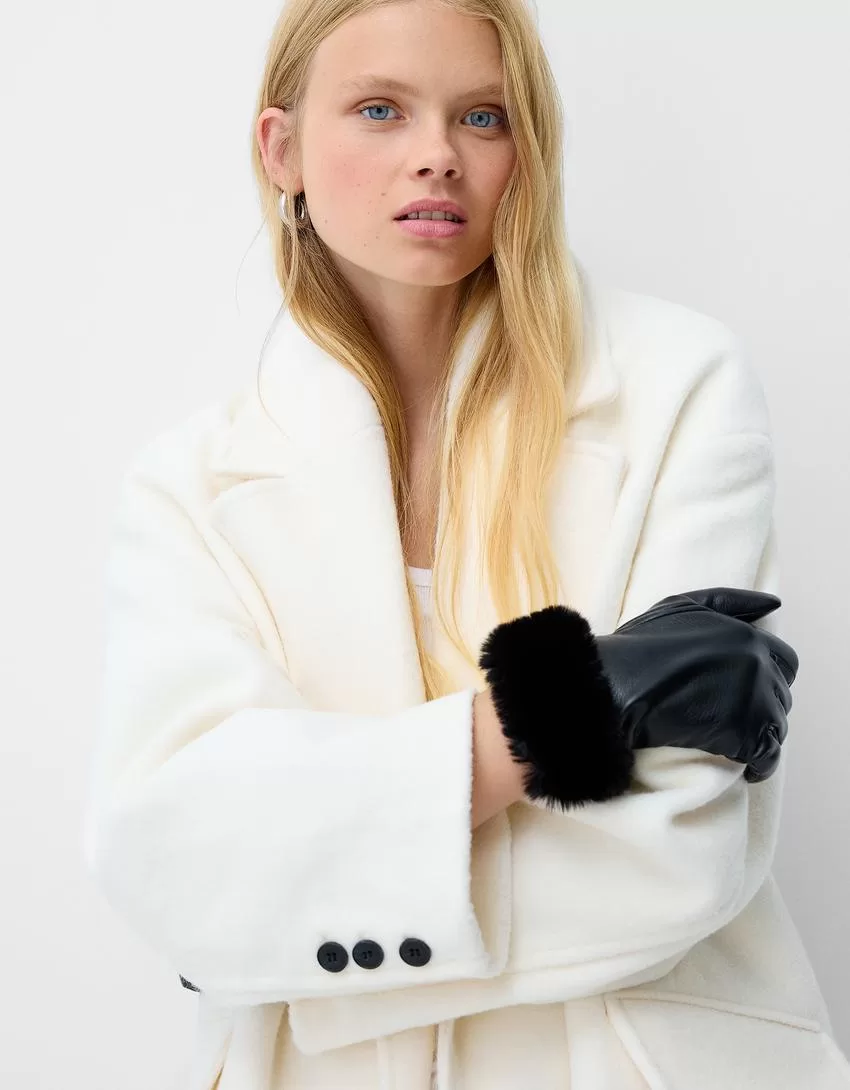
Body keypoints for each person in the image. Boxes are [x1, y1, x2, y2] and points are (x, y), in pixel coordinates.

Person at [81, 1, 850, 1088]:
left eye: (482, 117)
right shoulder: (190, 487)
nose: (436, 155)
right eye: (380, 109)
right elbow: (170, 864)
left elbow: (679, 854)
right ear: (281, 149)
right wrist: (550, 716)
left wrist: (294, 929)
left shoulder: (679, 387)